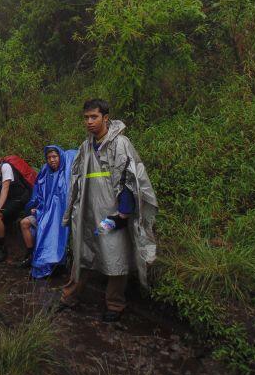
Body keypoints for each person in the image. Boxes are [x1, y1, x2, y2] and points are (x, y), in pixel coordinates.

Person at [59, 99, 158, 322]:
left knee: (116, 259)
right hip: (88, 212)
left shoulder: (120, 144)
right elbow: (76, 181)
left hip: (112, 214)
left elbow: (129, 179)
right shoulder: (86, 147)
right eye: (86, 117)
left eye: (94, 117)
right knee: (82, 255)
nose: (89, 122)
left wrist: (123, 213)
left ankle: (115, 304)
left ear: (105, 117)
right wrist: (72, 212)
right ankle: (69, 297)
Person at [19, 145, 77, 278]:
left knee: (52, 230)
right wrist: (37, 206)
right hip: (44, 212)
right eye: (49, 157)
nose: (52, 160)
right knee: (26, 223)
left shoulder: (67, 172)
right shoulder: (46, 172)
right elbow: (39, 193)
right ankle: (31, 256)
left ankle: (57, 263)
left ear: (60, 157)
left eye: (54, 157)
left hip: (63, 214)